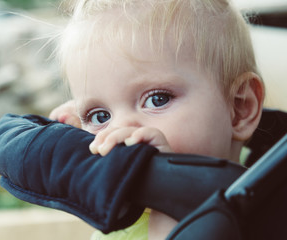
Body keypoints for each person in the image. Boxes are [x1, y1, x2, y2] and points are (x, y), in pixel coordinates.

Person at [47, 0, 265, 239]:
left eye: (157, 99)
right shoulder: (122, 217)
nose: (119, 132)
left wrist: (169, 193)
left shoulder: (254, 216)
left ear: (239, 108)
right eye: (100, 115)